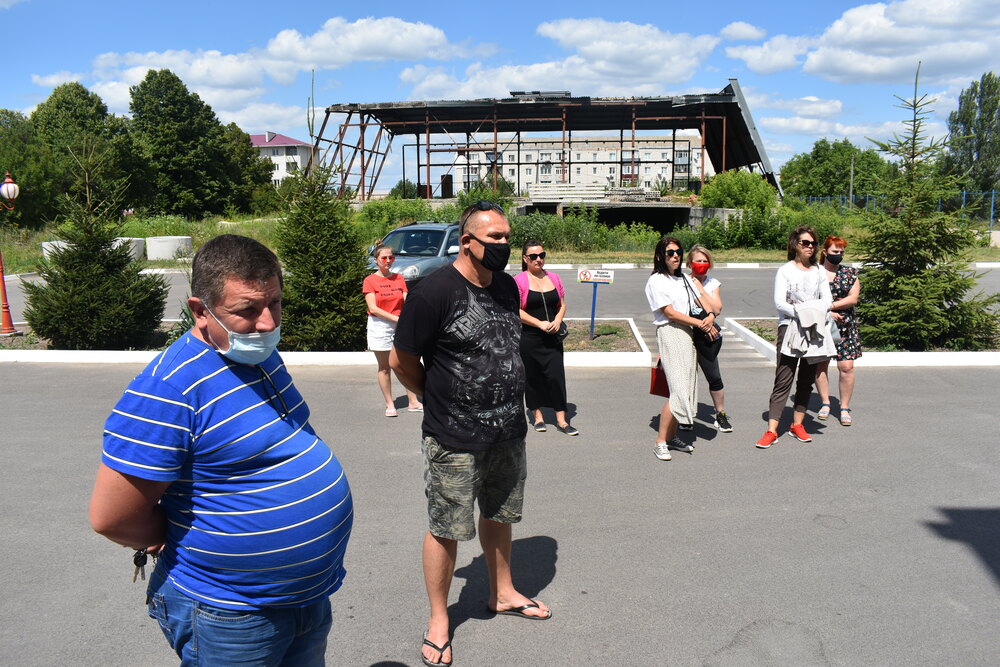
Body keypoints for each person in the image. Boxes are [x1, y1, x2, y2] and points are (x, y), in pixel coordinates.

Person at [89, 235, 353, 666]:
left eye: (275, 303)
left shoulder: (256, 355)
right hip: (229, 615)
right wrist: (187, 541)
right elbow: (111, 517)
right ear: (200, 311)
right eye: (247, 310)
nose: (267, 323)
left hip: (304, 600)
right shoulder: (169, 389)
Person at [391, 201, 551, 667]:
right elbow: (403, 359)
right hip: (453, 436)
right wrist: (438, 398)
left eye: (507, 237)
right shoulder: (433, 291)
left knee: (500, 514)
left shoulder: (505, 286)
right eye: (494, 238)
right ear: (467, 242)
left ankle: (502, 592)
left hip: (507, 430)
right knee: (447, 526)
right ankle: (439, 619)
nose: (504, 245)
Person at [755, 226, 834, 449]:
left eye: (813, 243)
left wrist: (811, 312)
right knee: (783, 379)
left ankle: (797, 424)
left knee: (807, 379)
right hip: (790, 327)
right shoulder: (785, 271)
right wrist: (807, 311)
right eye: (805, 243)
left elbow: (827, 300)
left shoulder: (819, 271)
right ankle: (771, 430)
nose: (810, 247)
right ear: (795, 245)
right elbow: (780, 303)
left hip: (814, 330)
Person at [644, 236, 719, 461]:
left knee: (686, 388)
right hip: (671, 332)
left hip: (688, 335)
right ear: (660, 256)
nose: (675, 255)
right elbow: (670, 313)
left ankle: (673, 436)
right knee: (678, 390)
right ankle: (660, 442)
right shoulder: (657, 281)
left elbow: (706, 304)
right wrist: (700, 323)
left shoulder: (685, 279)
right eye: (670, 253)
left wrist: (711, 317)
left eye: (678, 251)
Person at [513, 240, 578, 435]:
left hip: (552, 338)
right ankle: (538, 417)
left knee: (556, 377)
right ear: (525, 258)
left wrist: (558, 319)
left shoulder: (554, 278)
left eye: (542, 255)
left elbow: (562, 304)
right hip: (530, 337)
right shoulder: (519, 280)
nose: (539, 260)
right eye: (533, 256)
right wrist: (539, 323)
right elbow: (516, 311)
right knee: (532, 377)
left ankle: (562, 420)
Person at [364, 244, 422, 417]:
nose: (388, 261)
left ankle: (413, 401)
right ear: (376, 261)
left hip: (400, 325)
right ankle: (390, 404)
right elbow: (373, 308)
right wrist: (397, 319)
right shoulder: (370, 280)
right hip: (380, 326)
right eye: (384, 258)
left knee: (404, 363)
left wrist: (409, 317)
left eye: (391, 257)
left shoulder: (399, 278)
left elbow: (406, 300)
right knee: (384, 367)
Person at [814, 236, 861, 426]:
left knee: (846, 367)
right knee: (821, 365)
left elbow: (853, 299)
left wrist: (830, 306)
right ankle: (825, 403)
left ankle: (843, 407)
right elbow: (807, 297)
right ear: (825, 252)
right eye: (835, 252)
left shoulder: (850, 273)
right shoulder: (814, 273)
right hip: (821, 325)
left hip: (846, 327)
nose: (839, 255)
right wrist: (826, 312)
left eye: (841, 252)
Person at [686, 245, 732, 432]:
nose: (702, 264)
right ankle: (685, 415)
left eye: (705, 261)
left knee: (714, 376)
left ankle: (720, 414)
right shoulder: (681, 280)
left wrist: (699, 288)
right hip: (686, 332)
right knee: (686, 378)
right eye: (698, 260)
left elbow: (717, 308)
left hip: (707, 334)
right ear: (689, 263)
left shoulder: (713, 283)